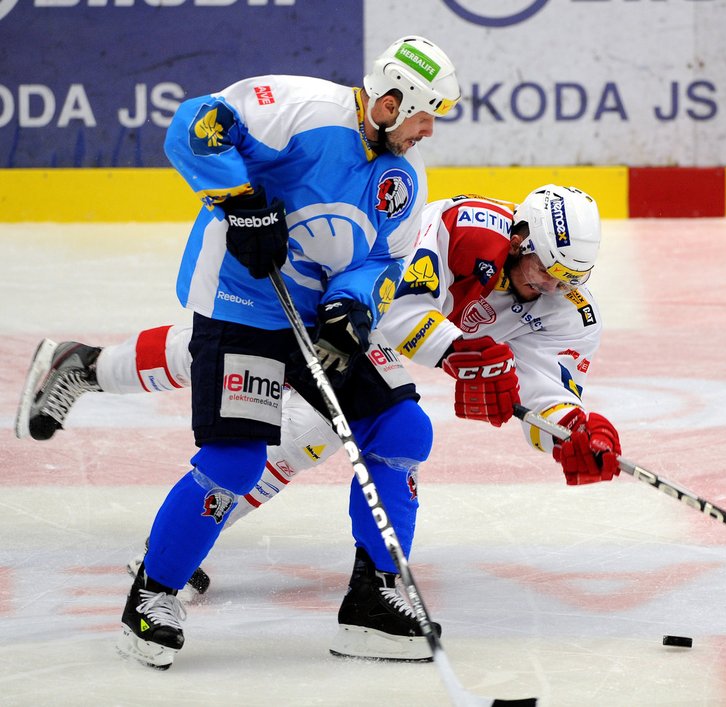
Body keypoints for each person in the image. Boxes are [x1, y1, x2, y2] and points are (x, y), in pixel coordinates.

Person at [15, 185, 624, 660]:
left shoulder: (567, 305)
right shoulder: (460, 230)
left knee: (363, 427)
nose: (552, 285)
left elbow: (548, 384)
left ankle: (90, 375)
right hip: (339, 299)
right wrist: (458, 354)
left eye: (569, 277)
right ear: (518, 239)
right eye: (546, 268)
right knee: (229, 362)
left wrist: (573, 430)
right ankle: (154, 525)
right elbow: (396, 311)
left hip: (359, 326)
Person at [23, 35, 462, 671]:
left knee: (400, 426)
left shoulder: (402, 177)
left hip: (313, 320)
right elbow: (194, 126)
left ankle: (370, 600)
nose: (428, 130)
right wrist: (240, 200)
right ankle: (152, 595)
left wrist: (353, 304)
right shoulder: (299, 107)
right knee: (235, 459)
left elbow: (382, 259)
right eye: (425, 115)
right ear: (393, 101)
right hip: (239, 304)